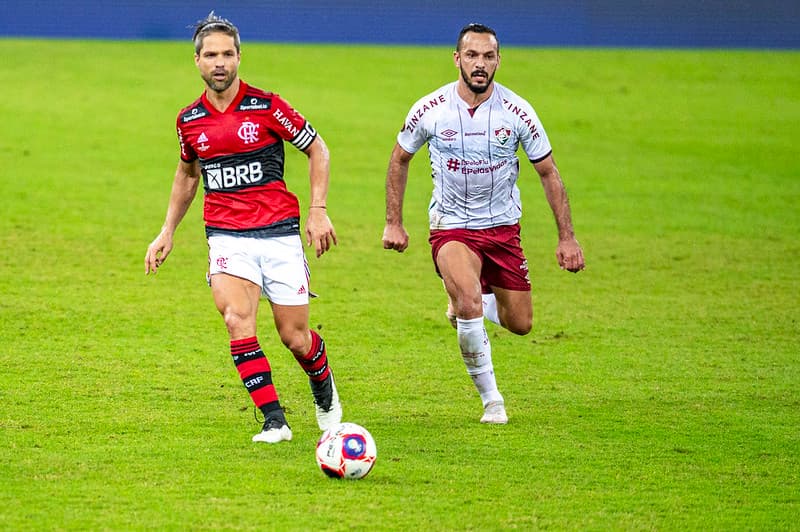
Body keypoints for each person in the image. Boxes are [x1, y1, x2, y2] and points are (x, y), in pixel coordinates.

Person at [144, 12, 341, 444]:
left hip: (279, 234)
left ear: (239, 58)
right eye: (211, 54)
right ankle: (274, 419)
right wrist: (167, 231)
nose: (220, 62)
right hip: (226, 236)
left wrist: (318, 209)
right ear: (196, 61)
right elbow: (188, 175)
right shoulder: (189, 120)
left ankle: (324, 392)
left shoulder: (268, 107)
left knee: (295, 337)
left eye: (227, 54)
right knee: (237, 319)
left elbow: (318, 148)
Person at [382, 23, 585, 425]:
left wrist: (567, 238)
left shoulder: (517, 112)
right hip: (452, 226)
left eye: (488, 57)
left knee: (521, 323)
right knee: (470, 304)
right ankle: (492, 401)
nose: (480, 64)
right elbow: (398, 159)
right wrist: (394, 223)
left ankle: (463, 300)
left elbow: (548, 172)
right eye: (472, 56)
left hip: (503, 229)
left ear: (498, 61)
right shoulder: (430, 109)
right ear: (457, 59)